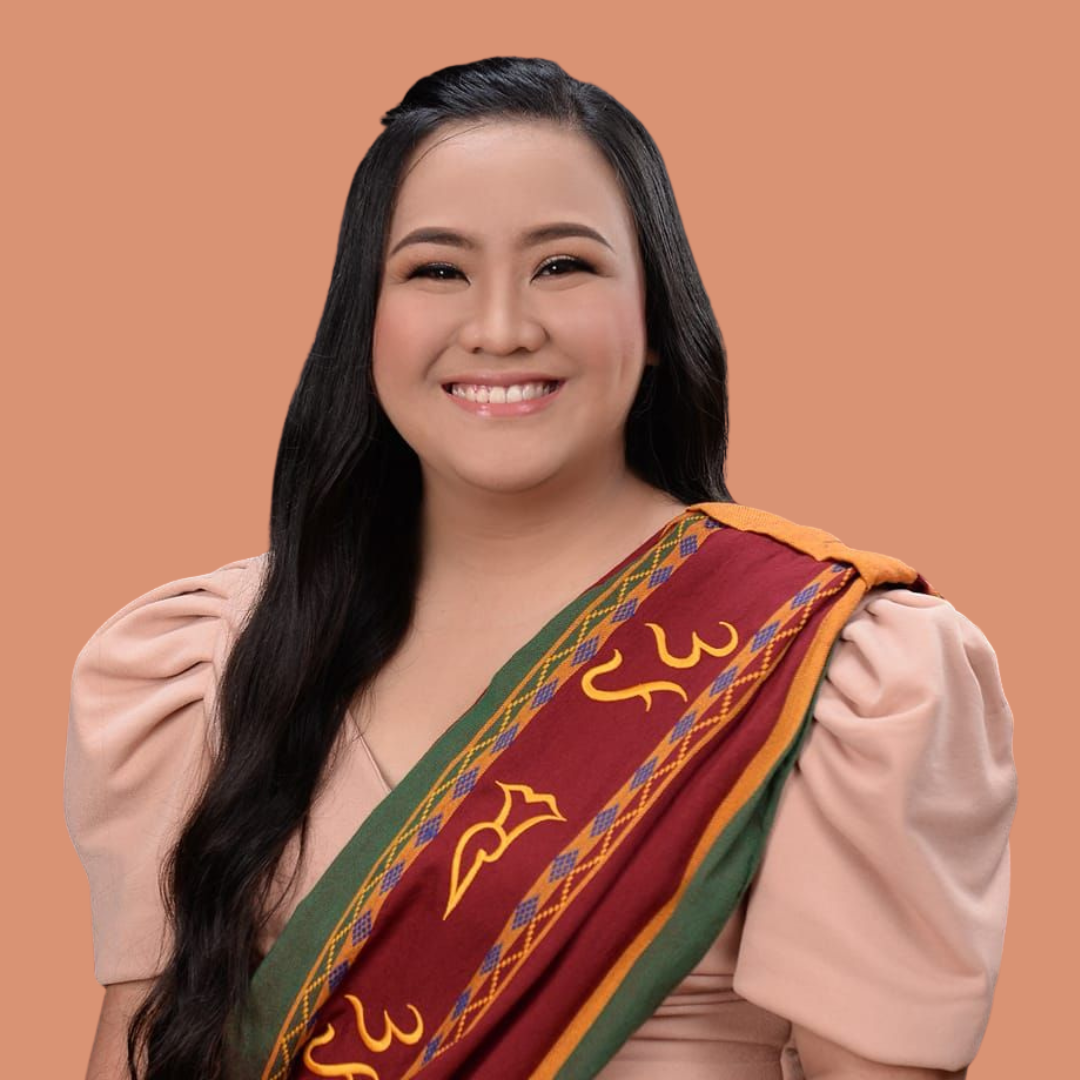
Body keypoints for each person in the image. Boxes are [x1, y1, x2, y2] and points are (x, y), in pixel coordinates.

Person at [64, 56, 1017, 1080]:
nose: (503, 328)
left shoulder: (832, 669)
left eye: (564, 266)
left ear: (655, 319)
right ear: (363, 322)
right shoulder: (207, 655)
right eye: (437, 270)